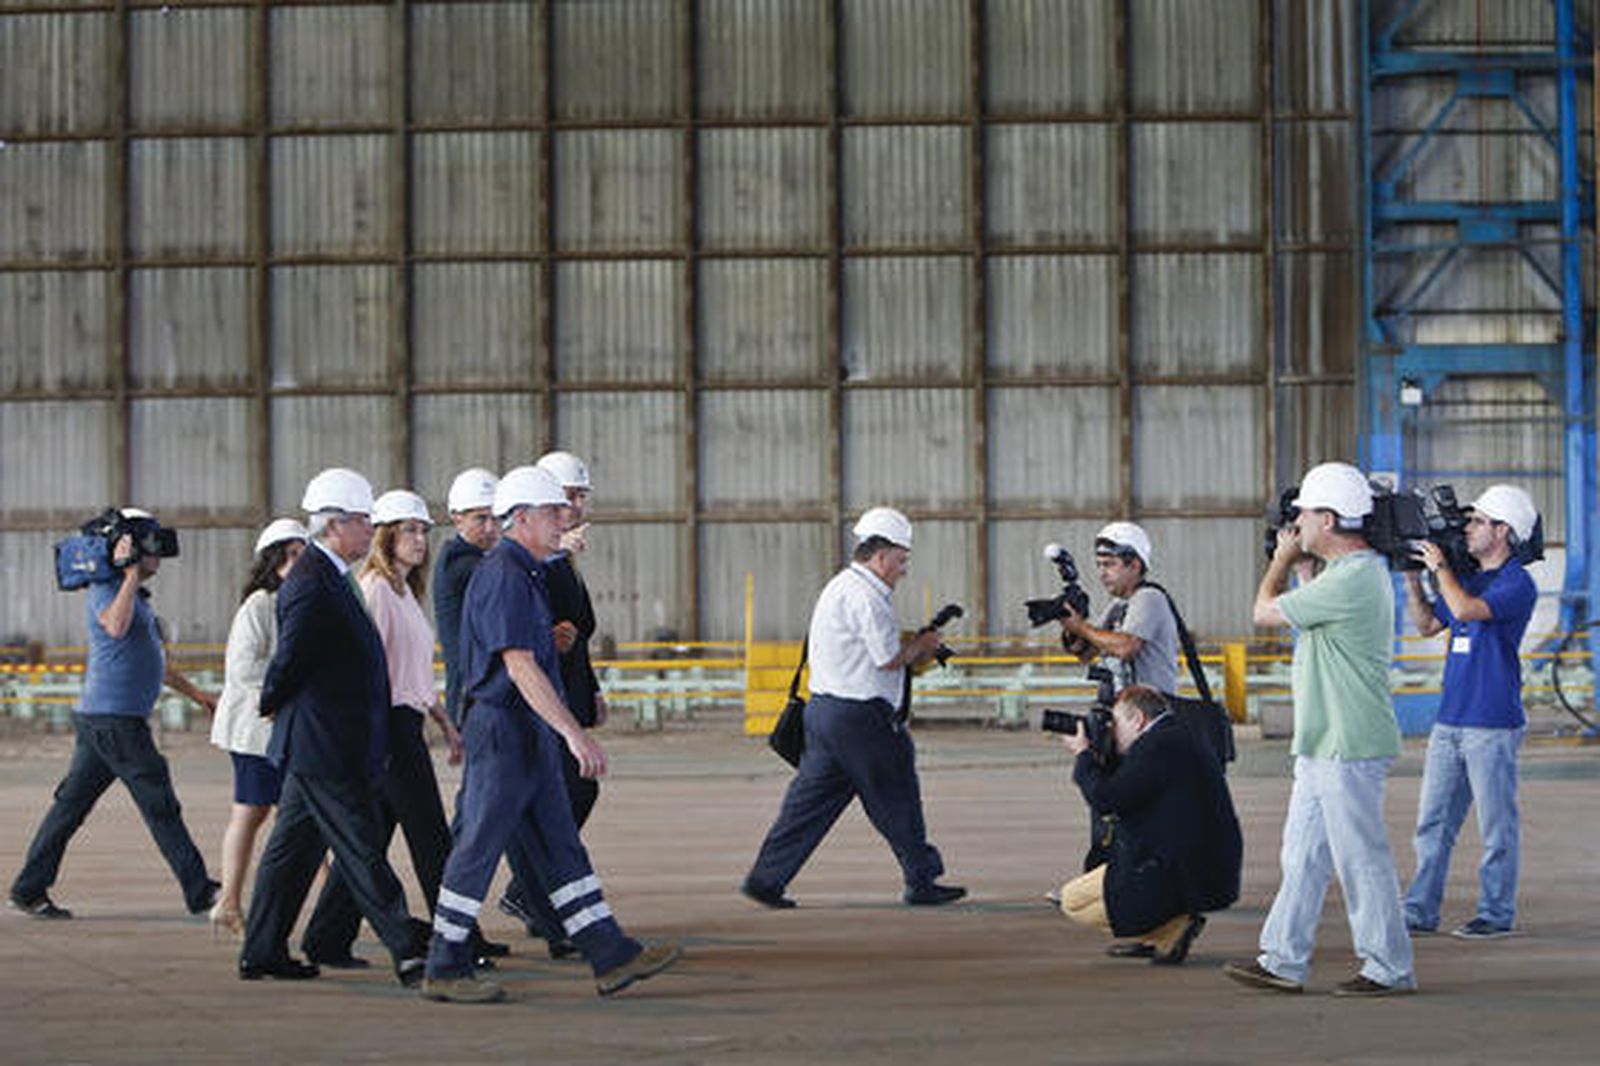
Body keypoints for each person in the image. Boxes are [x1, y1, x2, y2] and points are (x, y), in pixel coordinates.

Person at [421, 465, 681, 1003]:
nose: (564, 518)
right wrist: (573, 733)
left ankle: (608, 952)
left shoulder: (528, 571)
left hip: (526, 729)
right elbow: (519, 665)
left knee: (560, 842)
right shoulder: (505, 575)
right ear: (521, 518)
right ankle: (444, 964)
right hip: (503, 729)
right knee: (478, 845)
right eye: (553, 511)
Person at [1223, 462, 1417, 998]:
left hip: (1348, 742)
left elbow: (1262, 611)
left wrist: (1282, 562)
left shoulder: (1355, 577)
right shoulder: (1342, 577)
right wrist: (1303, 568)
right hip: (1323, 741)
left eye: (1305, 515)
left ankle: (1389, 967)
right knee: (1302, 856)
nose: (1297, 524)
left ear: (1328, 519)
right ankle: (1283, 959)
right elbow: (1313, 620)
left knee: (1362, 857)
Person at [238, 468, 425, 987]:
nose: (372, 529)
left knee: (290, 854)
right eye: (365, 520)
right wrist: (272, 701)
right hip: (324, 742)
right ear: (335, 525)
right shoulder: (312, 582)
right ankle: (409, 952)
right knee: (361, 846)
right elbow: (290, 656)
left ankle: (262, 951)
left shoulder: (330, 576)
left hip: (324, 741)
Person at [742, 506, 966, 909]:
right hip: (860, 719)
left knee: (808, 804)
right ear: (881, 556)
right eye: (901, 560)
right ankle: (921, 879)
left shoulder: (841, 585)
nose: (903, 570)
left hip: (826, 714)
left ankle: (766, 879)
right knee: (897, 792)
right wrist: (925, 644)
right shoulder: (868, 597)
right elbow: (888, 657)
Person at [10, 508, 219, 919]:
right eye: (150, 545)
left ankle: (29, 888)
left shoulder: (136, 597)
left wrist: (199, 696)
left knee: (70, 807)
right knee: (161, 803)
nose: (158, 554)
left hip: (104, 719)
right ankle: (199, 890)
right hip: (114, 721)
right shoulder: (108, 587)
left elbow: (157, 662)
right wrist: (125, 574)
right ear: (128, 548)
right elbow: (115, 627)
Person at [297, 489, 465, 969]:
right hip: (386, 728)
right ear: (386, 537)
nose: (419, 539)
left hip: (405, 722)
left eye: (423, 531)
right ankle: (456, 939)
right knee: (431, 838)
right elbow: (368, 671)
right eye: (409, 530)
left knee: (369, 840)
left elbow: (413, 670)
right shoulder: (375, 589)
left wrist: (443, 721)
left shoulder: (406, 593)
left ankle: (327, 939)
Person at [1401, 485, 1539, 940]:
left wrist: (1441, 569)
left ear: (1503, 531)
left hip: (1492, 723)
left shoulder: (1517, 582)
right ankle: (1420, 910)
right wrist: (1414, 578)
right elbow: (1427, 625)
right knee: (1432, 824)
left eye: (1478, 521)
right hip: (1450, 721)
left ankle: (1496, 913)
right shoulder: (1466, 576)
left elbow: (1464, 609)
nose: (1468, 528)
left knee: (1497, 827)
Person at [499, 450, 609, 945]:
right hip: (540, 702)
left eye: (581, 495)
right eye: (569, 497)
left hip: (566, 692)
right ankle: (535, 897)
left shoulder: (557, 558)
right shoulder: (531, 562)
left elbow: (577, 629)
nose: (577, 505)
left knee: (557, 800)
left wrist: (593, 690)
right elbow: (534, 638)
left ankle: (535, 897)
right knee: (562, 797)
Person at [1057, 685, 1241, 964]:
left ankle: (1168, 929)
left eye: (1115, 722)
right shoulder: (1177, 735)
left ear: (1138, 719)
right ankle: (1163, 931)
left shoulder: (1157, 746)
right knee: (1096, 888)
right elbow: (1132, 788)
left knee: (1072, 901)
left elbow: (1106, 799)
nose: (1111, 730)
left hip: (1178, 870)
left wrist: (1083, 755)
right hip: (1206, 867)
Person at [206, 518, 308, 937]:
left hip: (282, 728)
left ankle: (229, 903)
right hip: (255, 730)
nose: (304, 564)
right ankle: (227, 901)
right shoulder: (260, 605)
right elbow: (244, 668)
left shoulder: (296, 602)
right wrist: (292, 679)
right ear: (277, 559)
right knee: (252, 814)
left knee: (294, 815)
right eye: (297, 555)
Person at [1057, 522, 1179, 697]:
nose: (1102, 573)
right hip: (1127, 710)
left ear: (1135, 566)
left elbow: (1126, 646)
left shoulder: (1149, 597)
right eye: (1099, 565)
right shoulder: (1119, 605)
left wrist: (1081, 627)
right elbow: (1087, 653)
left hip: (1151, 712)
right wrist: (1071, 628)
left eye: (1109, 564)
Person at [434, 467, 500, 729]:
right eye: (480, 519)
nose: (490, 528)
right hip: (472, 697)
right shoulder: (458, 561)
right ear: (456, 519)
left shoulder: (485, 559)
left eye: (496, 519)